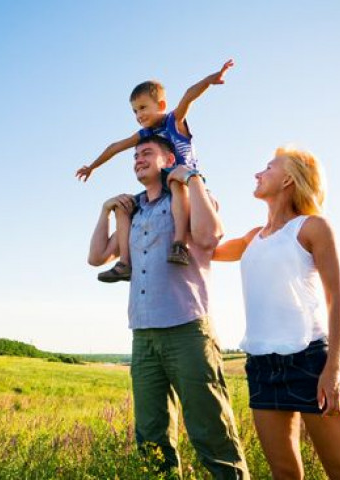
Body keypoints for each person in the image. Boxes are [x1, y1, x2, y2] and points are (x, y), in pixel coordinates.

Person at [87, 135, 249, 478]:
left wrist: (190, 179)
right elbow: (97, 256)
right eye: (134, 157)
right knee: (151, 437)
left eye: (146, 153)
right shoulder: (133, 212)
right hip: (143, 336)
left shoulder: (188, 197)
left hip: (187, 329)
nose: (137, 160)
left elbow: (209, 238)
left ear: (168, 159)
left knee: (211, 430)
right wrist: (105, 211)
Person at [213, 146, 340, 479]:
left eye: (267, 167)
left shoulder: (313, 228)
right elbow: (204, 248)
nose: (258, 173)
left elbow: (336, 299)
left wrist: (332, 370)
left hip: (311, 362)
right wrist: (193, 187)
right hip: (261, 365)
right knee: (284, 472)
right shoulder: (252, 237)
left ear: (288, 179)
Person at [78, 59, 234, 282]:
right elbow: (115, 147)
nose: (138, 115)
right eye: (134, 111)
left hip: (184, 180)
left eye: (143, 108)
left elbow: (189, 95)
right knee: (124, 207)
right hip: (160, 187)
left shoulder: (173, 121)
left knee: (174, 182)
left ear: (160, 105)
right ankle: (125, 263)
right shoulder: (144, 134)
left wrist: (210, 80)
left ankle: (179, 243)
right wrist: (92, 166)